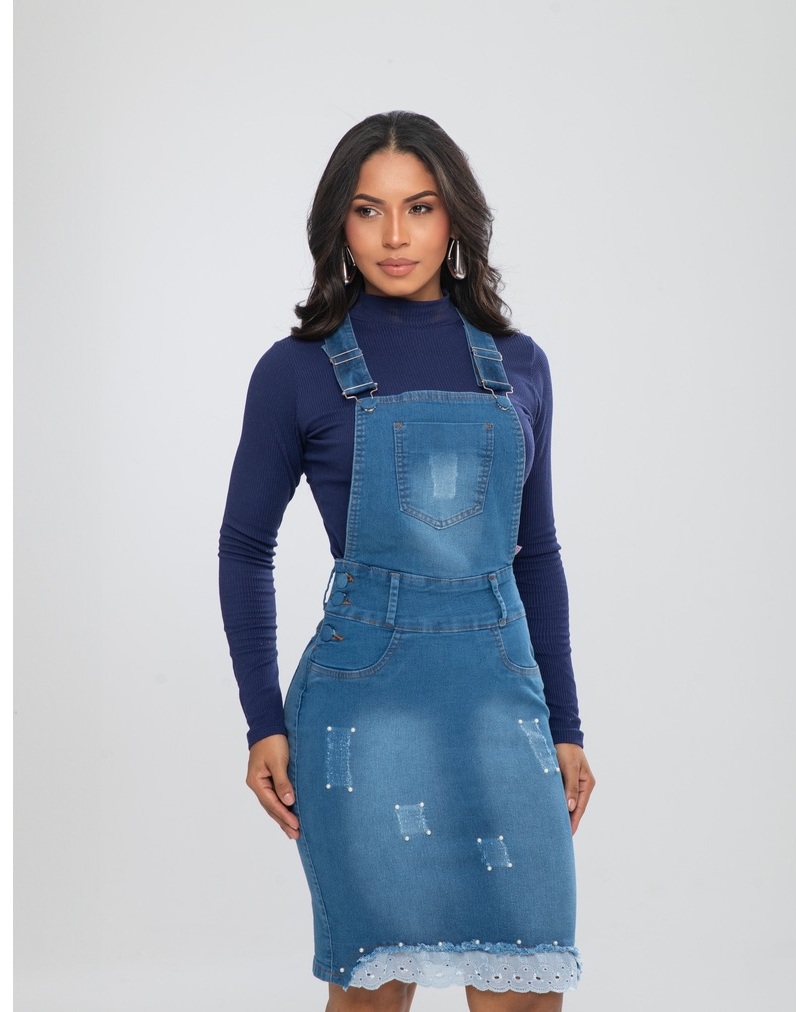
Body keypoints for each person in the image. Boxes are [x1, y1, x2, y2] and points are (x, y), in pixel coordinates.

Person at [219, 110, 596, 1012]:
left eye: (419, 207)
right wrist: (262, 721)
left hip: (502, 702)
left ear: (454, 217)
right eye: (369, 209)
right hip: (363, 709)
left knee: (525, 986)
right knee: (375, 989)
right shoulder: (296, 370)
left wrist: (567, 723)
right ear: (338, 225)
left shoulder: (520, 364)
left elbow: (536, 553)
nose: (395, 235)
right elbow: (244, 548)